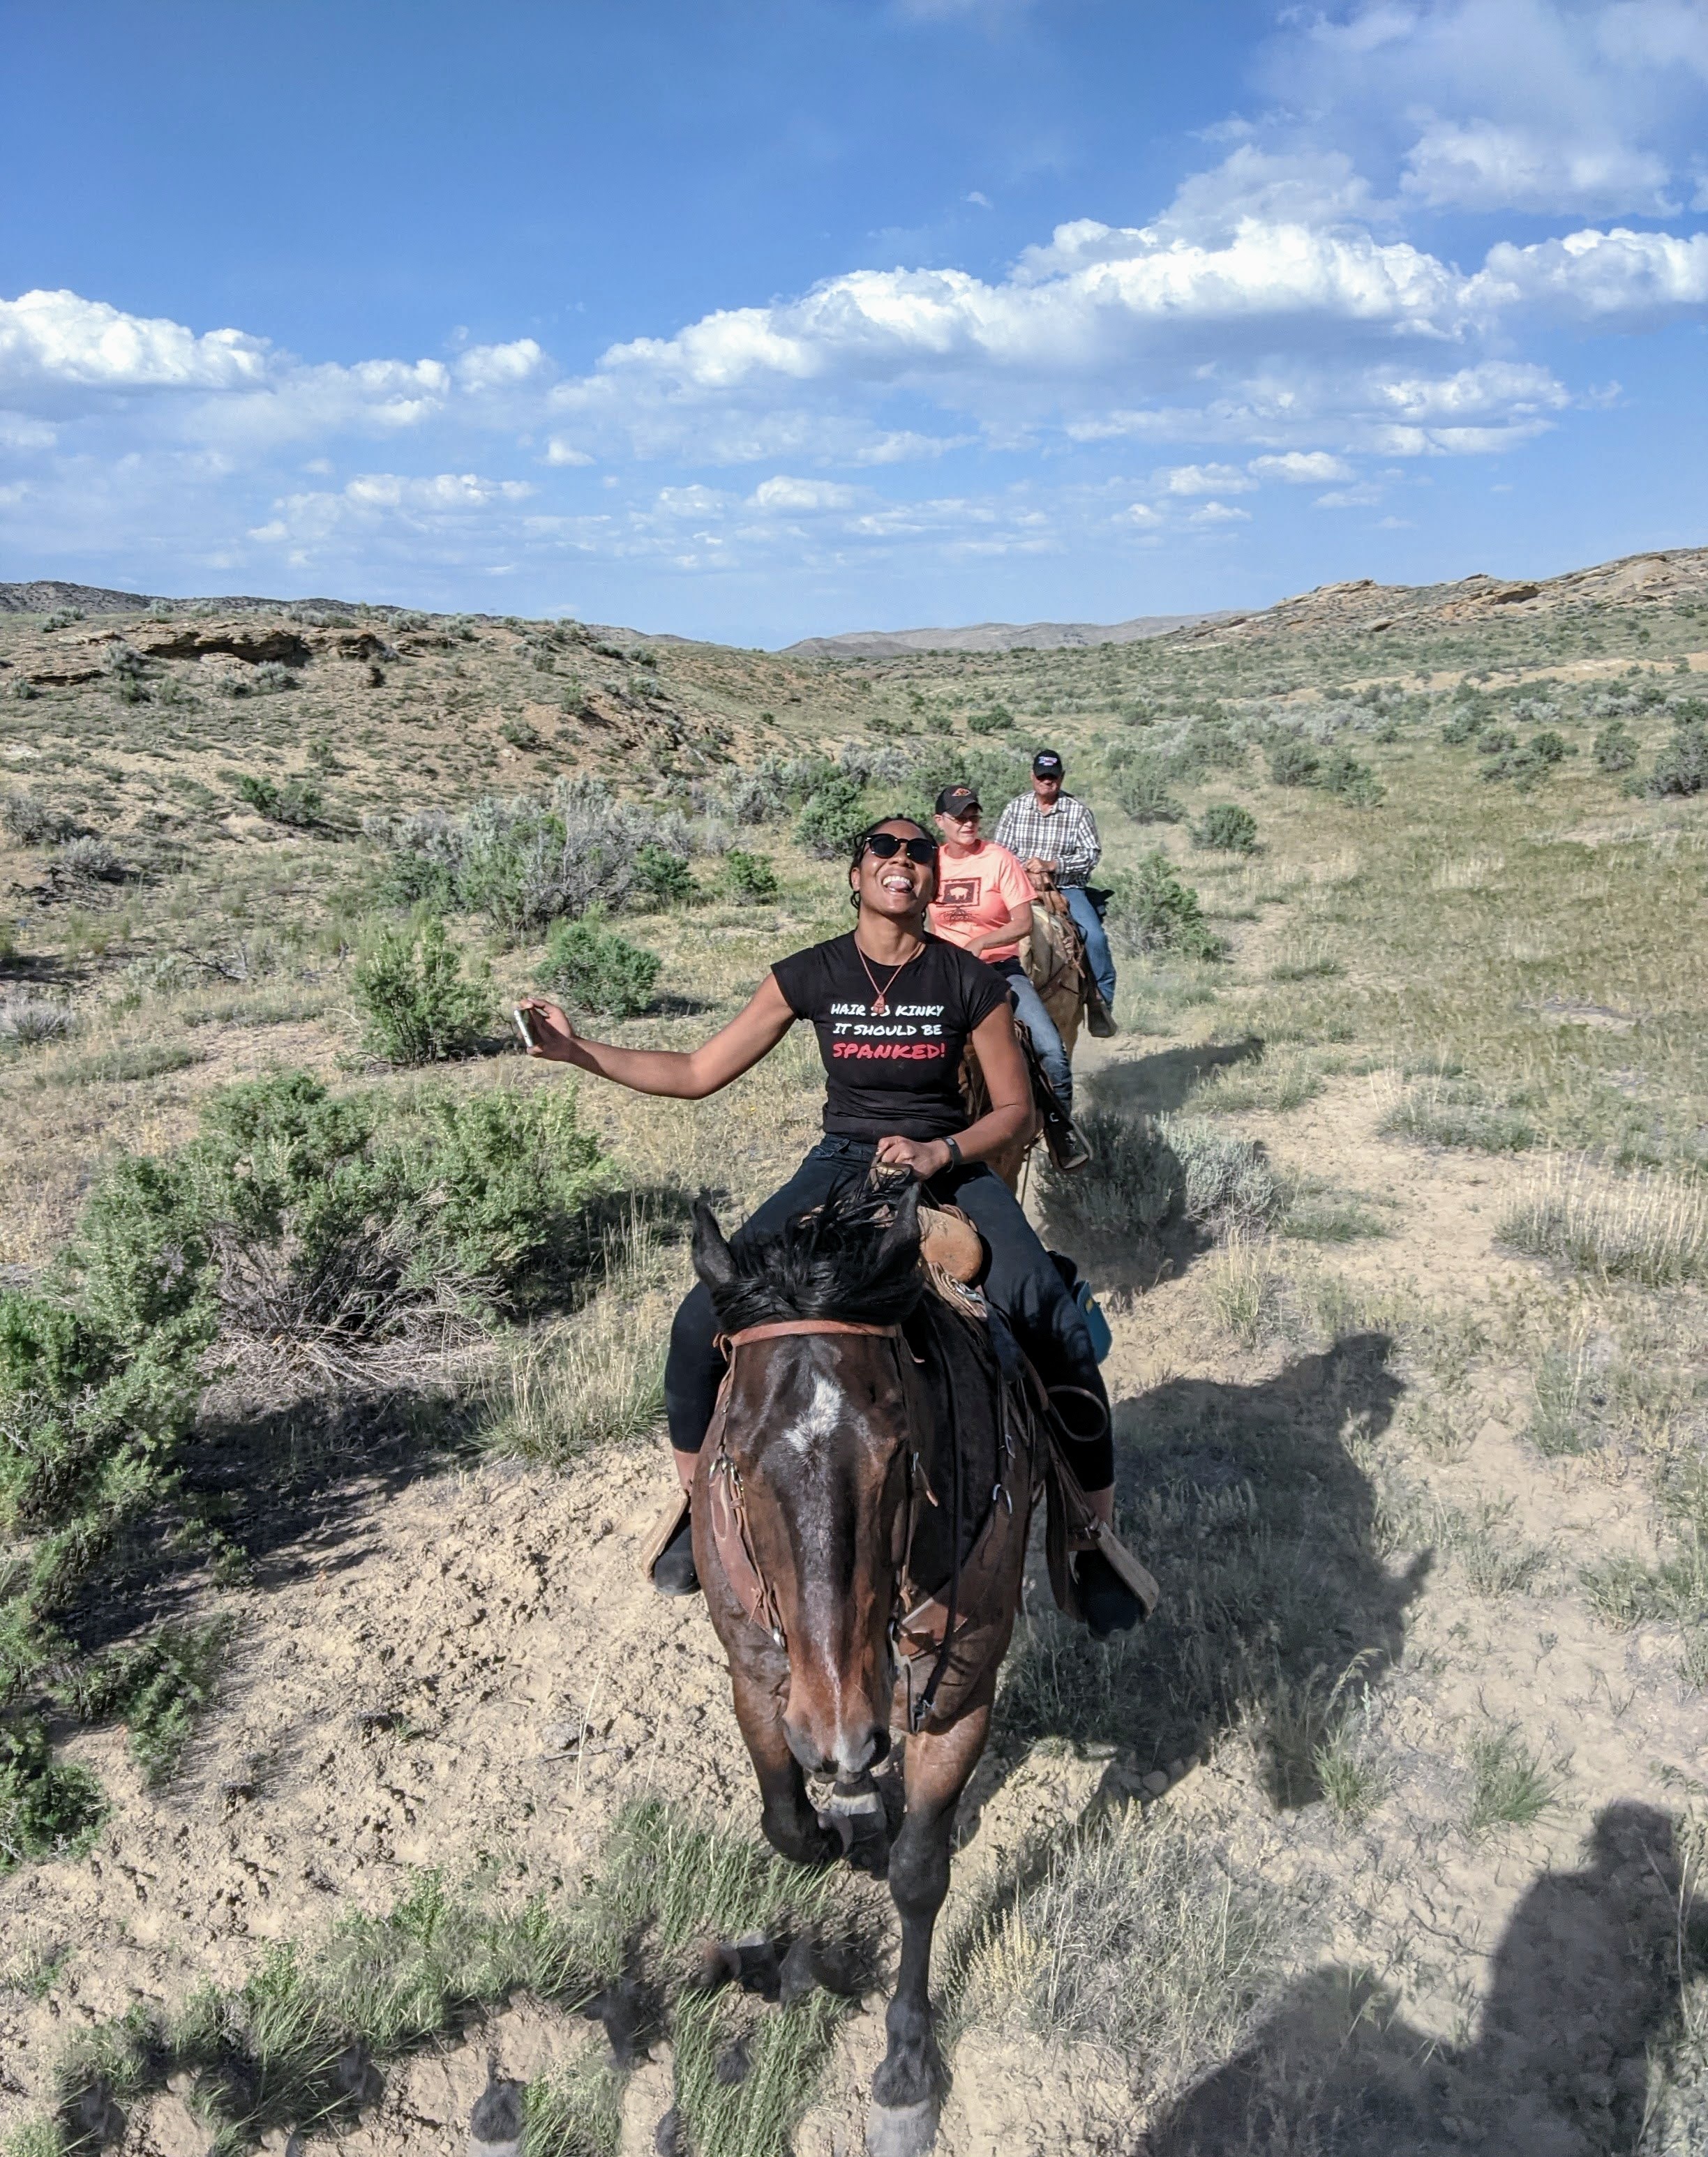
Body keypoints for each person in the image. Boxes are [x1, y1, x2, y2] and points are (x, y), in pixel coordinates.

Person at [518, 813, 1143, 1639]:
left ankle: (1092, 1533)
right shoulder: (812, 973)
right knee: (703, 1316)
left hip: (944, 1158)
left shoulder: (967, 980)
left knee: (1047, 1314)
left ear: (932, 878)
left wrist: (939, 1148)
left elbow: (1015, 1110)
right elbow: (698, 1070)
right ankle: (693, 1502)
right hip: (841, 1162)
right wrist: (577, 1051)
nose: (903, 861)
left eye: (919, 852)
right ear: (856, 874)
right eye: (883, 849)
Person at [927, 782, 1076, 1115]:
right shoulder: (931, 863)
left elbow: (1022, 922)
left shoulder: (998, 859)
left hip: (998, 970)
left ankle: (1061, 1127)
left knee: (1050, 1048)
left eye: (973, 817)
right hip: (944, 972)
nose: (968, 824)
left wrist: (982, 942)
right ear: (940, 821)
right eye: (959, 818)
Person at [994, 749, 1118, 1037]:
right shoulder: (1016, 808)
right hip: (1019, 884)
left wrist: (1053, 865)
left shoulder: (1078, 811)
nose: (1046, 782)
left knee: (1093, 937)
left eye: (1052, 777)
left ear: (1061, 778)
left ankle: (1099, 1003)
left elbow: (1091, 854)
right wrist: (1024, 872)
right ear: (1032, 777)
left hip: (1066, 886)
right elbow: (1001, 850)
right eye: (1041, 776)